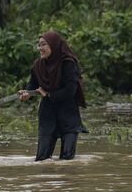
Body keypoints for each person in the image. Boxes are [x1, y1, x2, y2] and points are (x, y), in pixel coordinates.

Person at [19, 31, 87, 161]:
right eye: (39, 45)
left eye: (43, 45)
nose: (40, 48)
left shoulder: (68, 63)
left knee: (67, 160)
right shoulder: (37, 65)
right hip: (47, 114)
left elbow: (70, 90)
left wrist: (49, 95)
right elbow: (33, 84)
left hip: (68, 114)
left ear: (53, 45)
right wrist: (27, 94)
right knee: (41, 159)